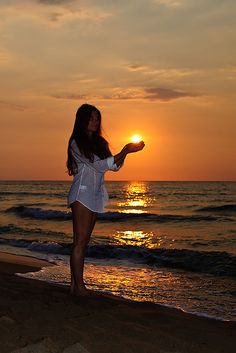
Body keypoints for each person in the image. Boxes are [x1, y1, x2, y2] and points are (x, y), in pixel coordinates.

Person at [66, 103, 145, 296]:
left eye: (97, 118)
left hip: (95, 195)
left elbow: (114, 167)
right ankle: (79, 286)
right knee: (79, 242)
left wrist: (126, 153)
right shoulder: (76, 142)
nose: (95, 121)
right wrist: (125, 150)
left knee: (83, 242)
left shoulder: (101, 143)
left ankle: (75, 285)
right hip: (81, 194)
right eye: (91, 118)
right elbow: (99, 166)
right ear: (83, 120)